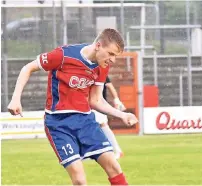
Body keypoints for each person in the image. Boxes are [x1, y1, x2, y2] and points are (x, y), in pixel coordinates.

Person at [7, 28, 137, 185]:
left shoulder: (102, 66)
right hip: (59, 124)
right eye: (111, 54)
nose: (113, 60)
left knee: (114, 167)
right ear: (98, 45)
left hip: (86, 122)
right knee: (80, 181)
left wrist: (122, 115)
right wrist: (15, 99)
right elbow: (27, 68)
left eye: (116, 56)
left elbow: (95, 100)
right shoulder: (63, 55)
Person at [94, 76, 126, 160]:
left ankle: (117, 150)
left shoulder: (98, 71)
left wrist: (116, 100)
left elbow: (109, 86)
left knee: (103, 125)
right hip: (92, 104)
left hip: (98, 104)